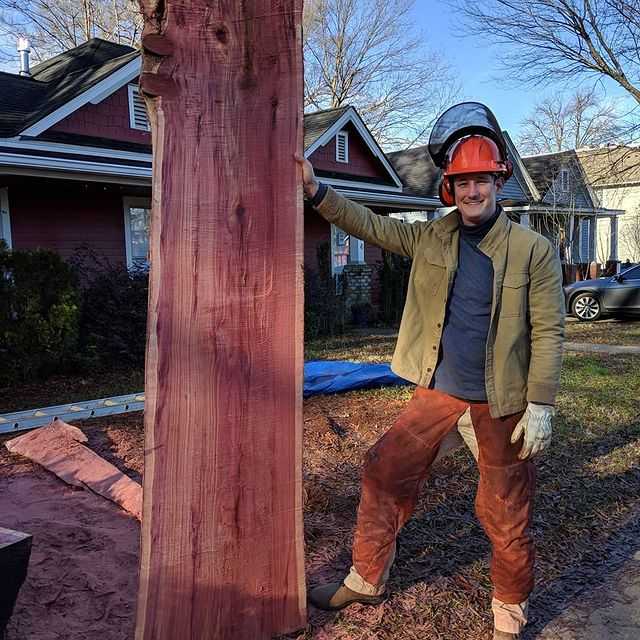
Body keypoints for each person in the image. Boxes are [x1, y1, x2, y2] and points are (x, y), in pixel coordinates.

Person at [294, 102, 565, 640]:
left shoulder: (532, 251)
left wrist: (541, 403)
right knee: (383, 470)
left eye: (481, 181)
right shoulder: (430, 238)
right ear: (449, 187)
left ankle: (509, 613)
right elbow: (369, 224)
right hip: (438, 393)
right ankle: (365, 580)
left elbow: (550, 330)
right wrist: (316, 190)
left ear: (498, 182)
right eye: (462, 183)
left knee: (506, 509)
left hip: (501, 399)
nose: (472, 192)